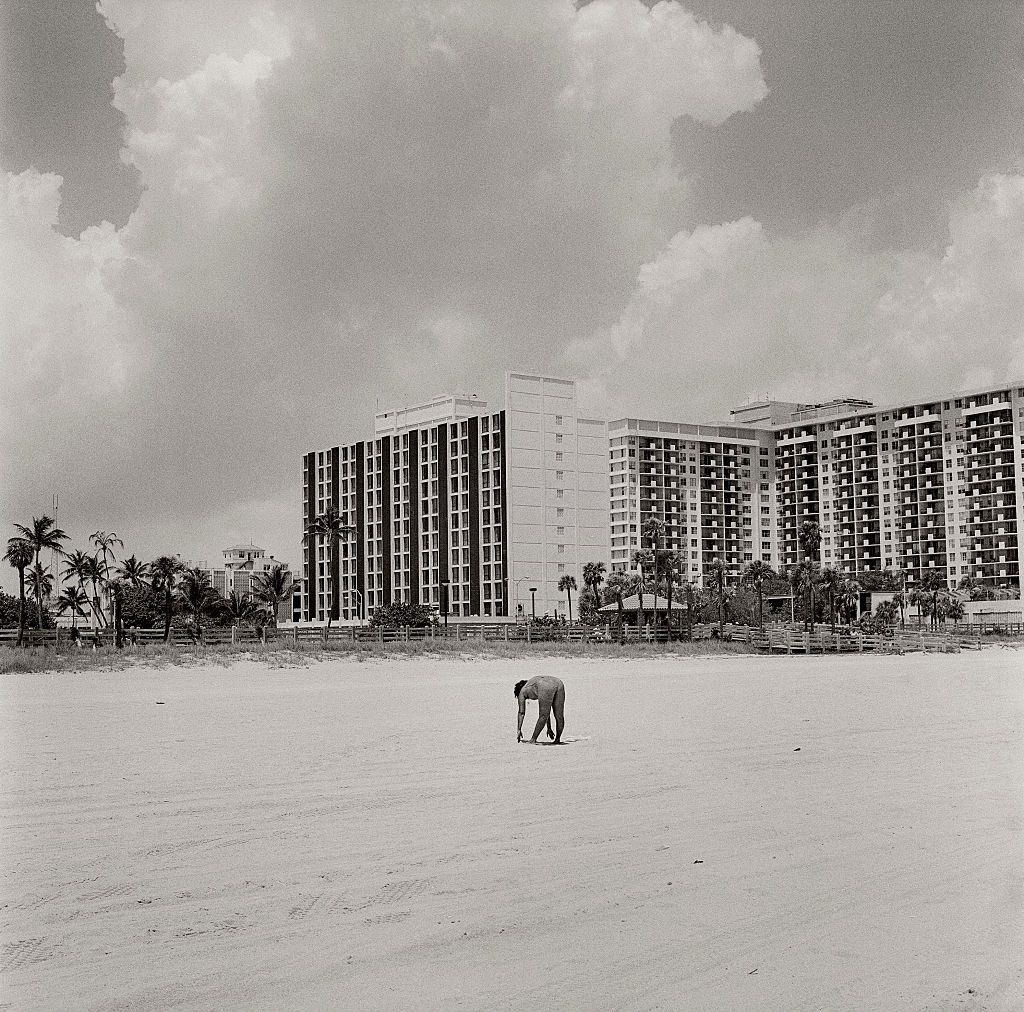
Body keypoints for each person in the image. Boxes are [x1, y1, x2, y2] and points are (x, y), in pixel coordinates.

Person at [514, 675, 565, 744]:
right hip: (559, 682)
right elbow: (547, 709)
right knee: (559, 716)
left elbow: (521, 713)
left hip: (544, 685)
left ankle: (533, 739)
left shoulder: (522, 691)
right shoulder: (531, 683)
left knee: (543, 716)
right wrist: (549, 728)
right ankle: (557, 739)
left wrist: (519, 729)